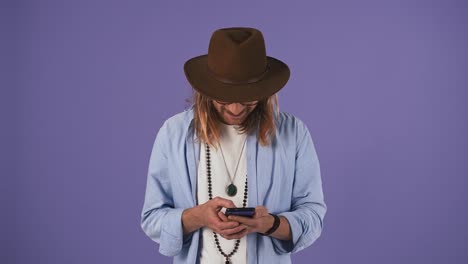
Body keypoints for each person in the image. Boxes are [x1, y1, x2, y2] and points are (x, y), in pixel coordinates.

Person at [140, 27, 326, 264]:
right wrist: (197, 217)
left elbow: (313, 216)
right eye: (224, 97)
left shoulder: (293, 133)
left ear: (264, 90)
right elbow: (151, 218)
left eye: (248, 97)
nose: (236, 109)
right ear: (207, 90)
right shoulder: (173, 133)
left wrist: (271, 224)